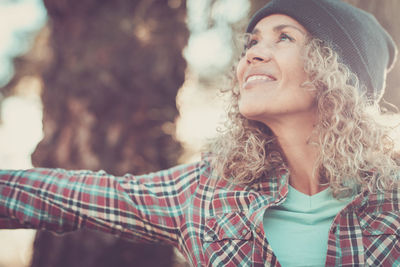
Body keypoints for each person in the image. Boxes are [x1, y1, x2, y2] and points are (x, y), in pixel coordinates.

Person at [0, 0, 399, 266]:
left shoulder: (392, 197)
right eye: (252, 42)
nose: (252, 55)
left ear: (339, 73)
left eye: (284, 37)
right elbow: (73, 199)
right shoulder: (207, 192)